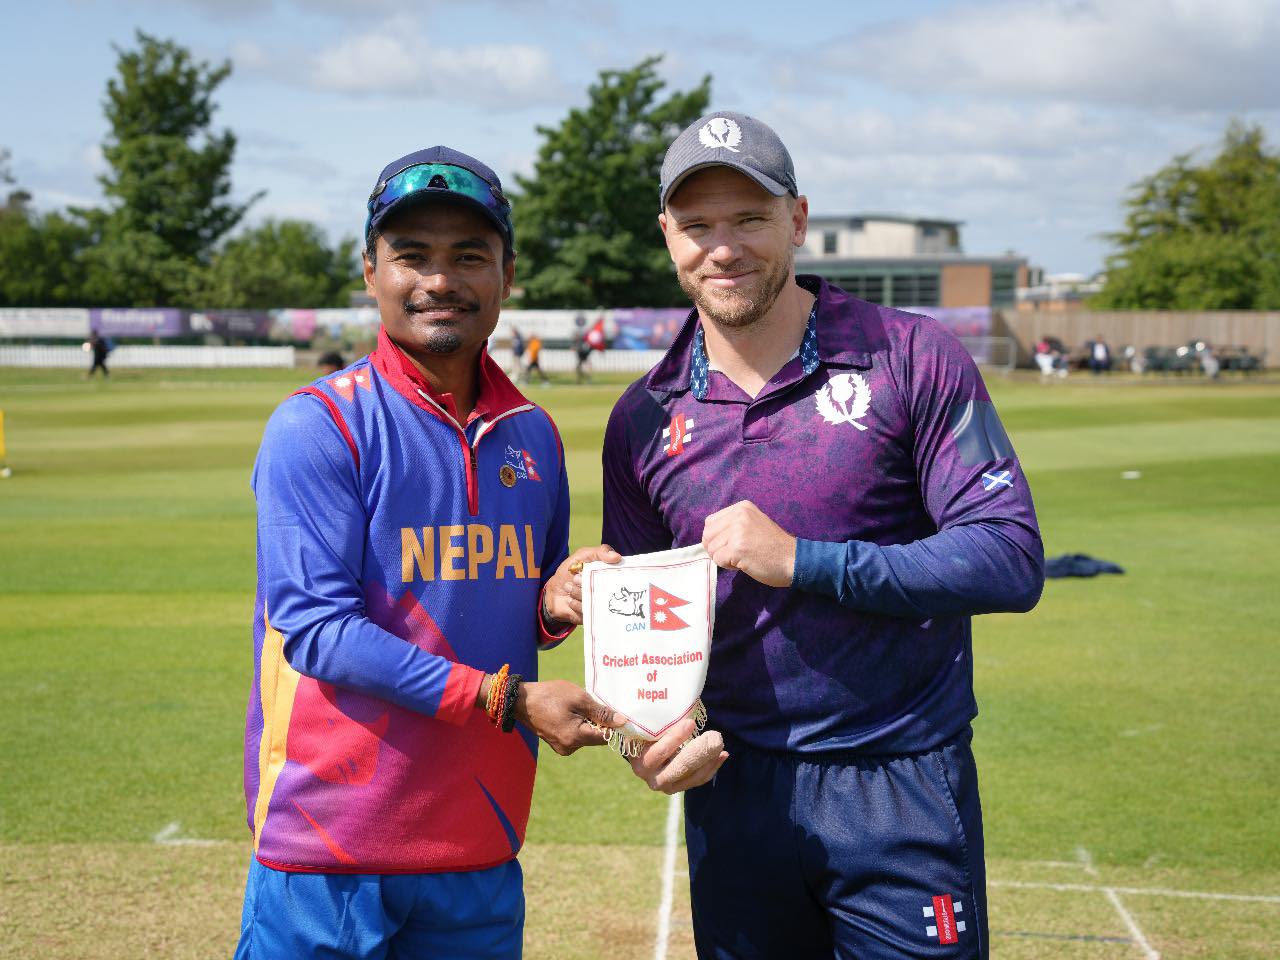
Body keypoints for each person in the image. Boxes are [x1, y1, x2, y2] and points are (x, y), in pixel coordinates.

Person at [601, 112, 1044, 959]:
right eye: (697, 225)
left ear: (797, 220)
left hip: (898, 782)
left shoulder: (912, 355)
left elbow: (1008, 556)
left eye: (750, 219)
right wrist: (641, 737)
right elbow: (646, 636)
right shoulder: (643, 417)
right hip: (735, 793)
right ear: (667, 236)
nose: (722, 248)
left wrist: (803, 561)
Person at [235, 145, 621, 959]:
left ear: (507, 275)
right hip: (331, 846)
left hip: (479, 839)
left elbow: (520, 608)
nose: (440, 280)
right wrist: (507, 699)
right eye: (412, 255)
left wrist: (558, 601)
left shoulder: (534, 435)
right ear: (370, 271)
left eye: (469, 256)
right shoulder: (318, 424)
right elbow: (320, 633)